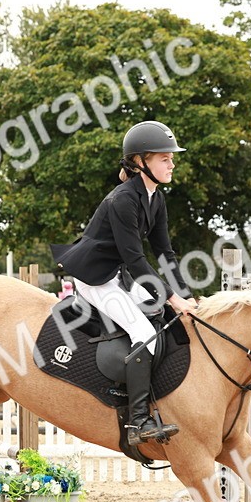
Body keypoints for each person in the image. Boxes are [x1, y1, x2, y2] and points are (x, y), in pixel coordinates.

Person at [50, 120, 198, 446]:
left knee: (161, 318)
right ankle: (138, 421)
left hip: (120, 273)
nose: (172, 163)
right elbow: (136, 258)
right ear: (140, 162)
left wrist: (187, 297)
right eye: (164, 158)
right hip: (96, 278)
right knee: (143, 332)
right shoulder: (123, 200)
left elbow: (165, 253)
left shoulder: (154, 198)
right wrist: (173, 298)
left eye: (171, 158)